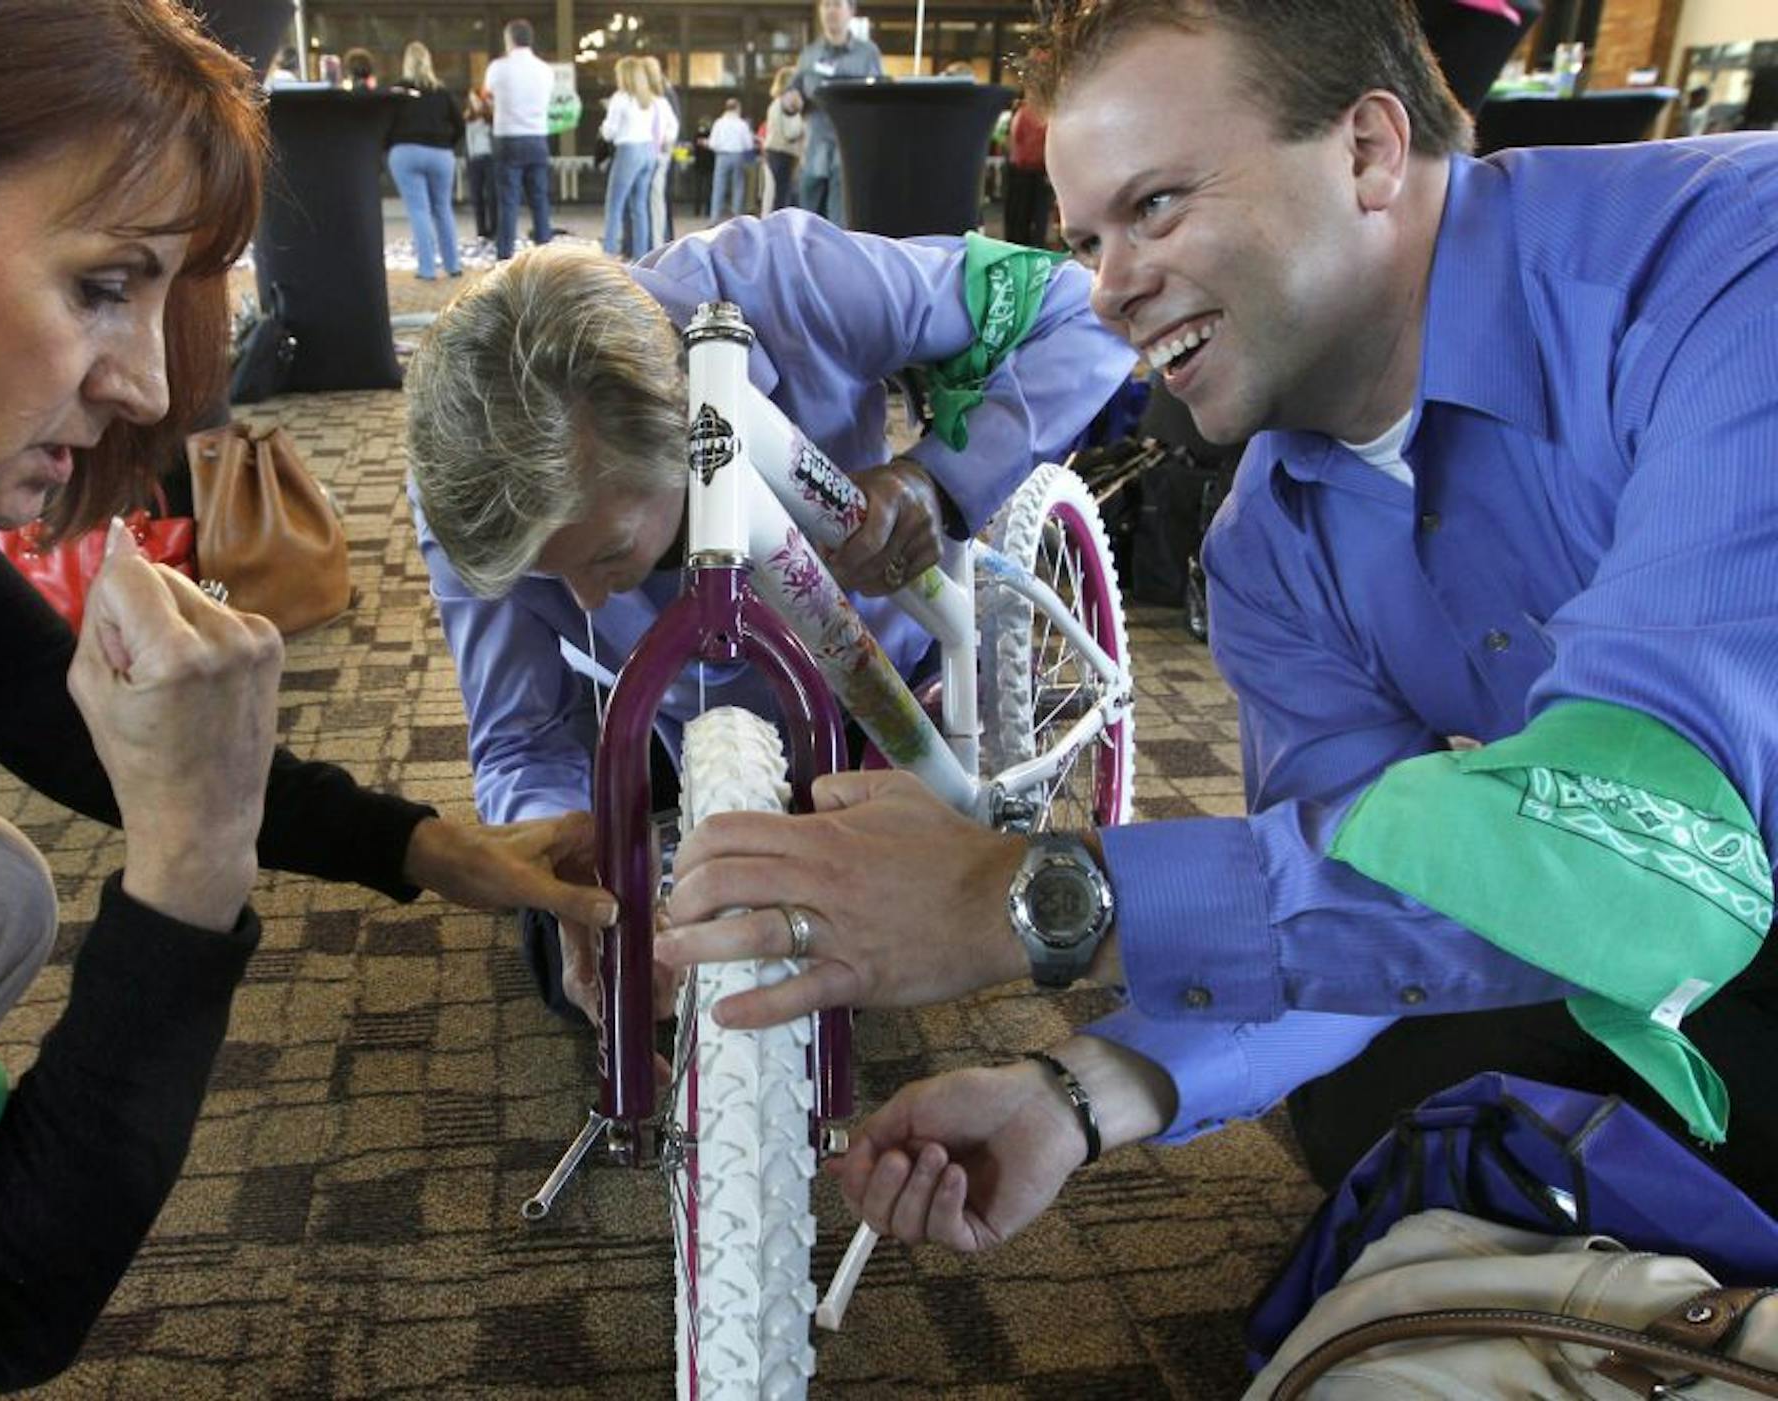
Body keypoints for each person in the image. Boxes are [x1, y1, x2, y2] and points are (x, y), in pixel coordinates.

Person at [658, 0, 1778, 1243]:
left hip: (1701, 881)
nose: (1106, 290)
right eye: (1086, 238)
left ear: (1365, 150)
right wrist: (1075, 1094)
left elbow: (1666, 854)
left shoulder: (1735, 267)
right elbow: (1342, 896)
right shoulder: (1269, 543)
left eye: (1157, 207)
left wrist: (1026, 900)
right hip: (1677, 933)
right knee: (1384, 1110)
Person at [0, 1, 610, 1395]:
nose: (146, 376)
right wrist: (189, 860)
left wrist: (424, 844)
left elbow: (44, 704)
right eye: (103, 284)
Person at [406, 216, 1136, 1023]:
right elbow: (523, 734)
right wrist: (566, 856)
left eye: (607, 554)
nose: (582, 600)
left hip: (879, 658)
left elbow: (1081, 305)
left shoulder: (794, 280)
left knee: (869, 950)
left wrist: (943, 480)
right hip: (682, 714)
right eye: (551, 574)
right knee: (589, 957)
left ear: (673, 434)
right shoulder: (466, 491)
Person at [790, 0, 884, 223]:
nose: (830, 11)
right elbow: (795, 89)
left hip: (851, 144)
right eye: (825, 5)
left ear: (851, 11)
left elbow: (881, 95)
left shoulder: (868, 53)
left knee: (842, 212)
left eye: (836, 4)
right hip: (815, 145)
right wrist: (790, 100)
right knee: (808, 209)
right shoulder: (809, 54)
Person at [387, 41, 466, 281]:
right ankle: (453, 266)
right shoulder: (442, 92)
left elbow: (385, 125)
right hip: (440, 155)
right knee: (443, 209)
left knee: (419, 211)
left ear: (406, 63)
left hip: (406, 153)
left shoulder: (398, 93)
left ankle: (427, 269)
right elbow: (460, 125)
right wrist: (446, 145)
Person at [483, 18, 555, 261]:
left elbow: (486, 97)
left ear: (509, 40)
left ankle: (505, 257)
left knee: (508, 201)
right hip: (537, 138)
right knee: (540, 200)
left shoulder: (498, 68)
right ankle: (544, 256)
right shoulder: (546, 70)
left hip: (507, 138)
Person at [599, 56, 665, 258]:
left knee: (614, 205)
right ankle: (642, 256)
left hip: (628, 151)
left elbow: (609, 132)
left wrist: (602, 128)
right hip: (649, 152)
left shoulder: (620, 98)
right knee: (639, 207)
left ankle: (608, 255)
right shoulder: (649, 99)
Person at [1000, 97, 1053, 249]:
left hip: (1021, 170)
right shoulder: (1045, 116)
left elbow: (1014, 140)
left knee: (1018, 218)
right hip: (1038, 171)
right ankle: (1036, 248)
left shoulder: (1022, 113)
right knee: (1038, 218)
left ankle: (1016, 247)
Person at [642, 54, 683, 247]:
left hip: (657, 153)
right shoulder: (666, 92)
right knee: (659, 199)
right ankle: (662, 241)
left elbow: (671, 126)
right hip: (662, 152)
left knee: (656, 199)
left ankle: (658, 241)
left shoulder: (660, 96)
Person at [762, 66, 806, 214]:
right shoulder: (785, 104)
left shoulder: (775, 103)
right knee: (783, 196)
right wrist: (803, 122)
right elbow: (791, 132)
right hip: (783, 153)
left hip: (775, 152)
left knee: (778, 194)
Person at [704, 97, 756, 222]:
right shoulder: (742, 124)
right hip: (738, 155)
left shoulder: (719, 123)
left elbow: (712, 143)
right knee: (738, 187)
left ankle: (714, 218)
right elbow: (748, 144)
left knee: (718, 187)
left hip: (722, 156)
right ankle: (736, 217)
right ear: (738, 108)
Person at [464, 89, 498, 242]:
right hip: (474, 159)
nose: (474, 103)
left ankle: (495, 229)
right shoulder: (468, 118)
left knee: (492, 194)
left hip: (490, 158)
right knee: (477, 195)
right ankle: (481, 230)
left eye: (476, 100)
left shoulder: (491, 118)